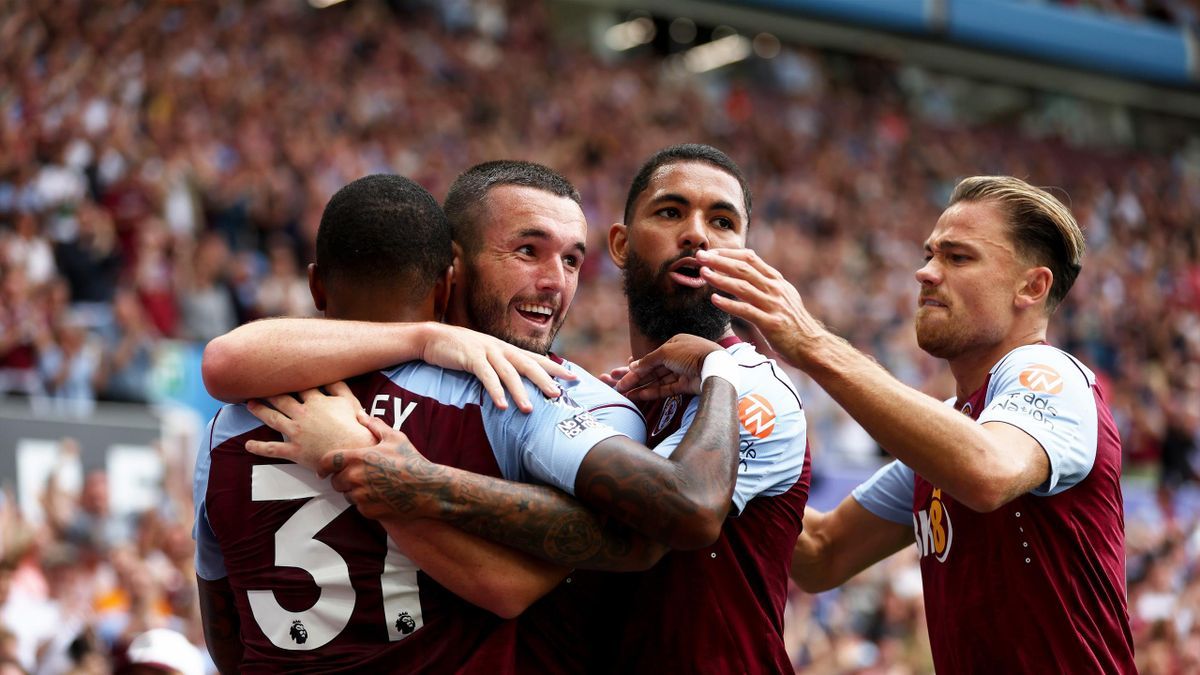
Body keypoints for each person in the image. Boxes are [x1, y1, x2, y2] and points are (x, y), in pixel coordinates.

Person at [248, 145, 811, 673]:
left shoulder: (741, 386)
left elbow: (659, 526)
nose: (696, 236)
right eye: (670, 212)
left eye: (722, 221)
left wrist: (419, 487)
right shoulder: (608, 393)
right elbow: (227, 359)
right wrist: (421, 338)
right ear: (621, 244)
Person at [681, 175, 1134, 672]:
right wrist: (683, 461)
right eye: (929, 254)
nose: (926, 273)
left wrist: (811, 343)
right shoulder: (954, 431)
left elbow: (989, 470)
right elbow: (822, 551)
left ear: (1032, 286)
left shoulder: (1051, 374)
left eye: (957, 257)